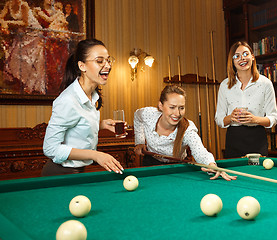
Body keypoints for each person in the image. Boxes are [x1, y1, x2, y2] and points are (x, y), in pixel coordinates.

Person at [42, 39, 124, 176]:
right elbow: (50, 149)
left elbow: (76, 125)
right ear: (82, 66)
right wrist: (95, 155)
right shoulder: (68, 100)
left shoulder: (92, 95)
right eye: (99, 61)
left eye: (108, 60)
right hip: (60, 174)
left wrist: (102, 125)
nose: (108, 65)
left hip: (78, 172)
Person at [134, 85, 236, 181]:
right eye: (172, 107)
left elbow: (200, 152)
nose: (177, 114)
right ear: (161, 106)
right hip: (149, 165)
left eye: (181, 108)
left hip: (177, 169)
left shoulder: (187, 129)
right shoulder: (148, 114)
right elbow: (137, 117)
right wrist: (140, 141)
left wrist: (212, 165)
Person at [215, 41, 277, 158]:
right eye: (237, 56)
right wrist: (230, 117)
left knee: (256, 175)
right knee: (234, 175)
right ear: (232, 61)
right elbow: (219, 119)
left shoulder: (265, 84)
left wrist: (255, 119)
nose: (242, 59)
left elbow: (273, 118)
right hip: (234, 139)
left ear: (252, 57)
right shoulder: (225, 85)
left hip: (257, 138)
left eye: (245, 54)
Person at [0, 0, 46, 94]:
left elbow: (25, 23)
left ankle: (30, 86)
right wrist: (3, 23)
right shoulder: (9, 4)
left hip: (33, 31)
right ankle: (22, 83)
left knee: (29, 59)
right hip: (23, 32)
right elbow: (1, 17)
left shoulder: (23, 5)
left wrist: (7, 22)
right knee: (16, 56)